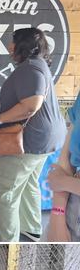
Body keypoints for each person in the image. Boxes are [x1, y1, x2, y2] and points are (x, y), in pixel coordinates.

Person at [0, 27, 66, 242]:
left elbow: (31, 106)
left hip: (28, 141)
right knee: (29, 183)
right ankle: (30, 229)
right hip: (43, 140)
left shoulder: (30, 69)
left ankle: (7, 240)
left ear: (22, 45)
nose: (9, 45)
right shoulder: (37, 66)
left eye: (12, 40)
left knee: (6, 191)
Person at [46, 89, 80, 241]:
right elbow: (66, 159)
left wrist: (66, 183)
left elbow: (61, 179)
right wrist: (57, 214)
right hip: (73, 206)